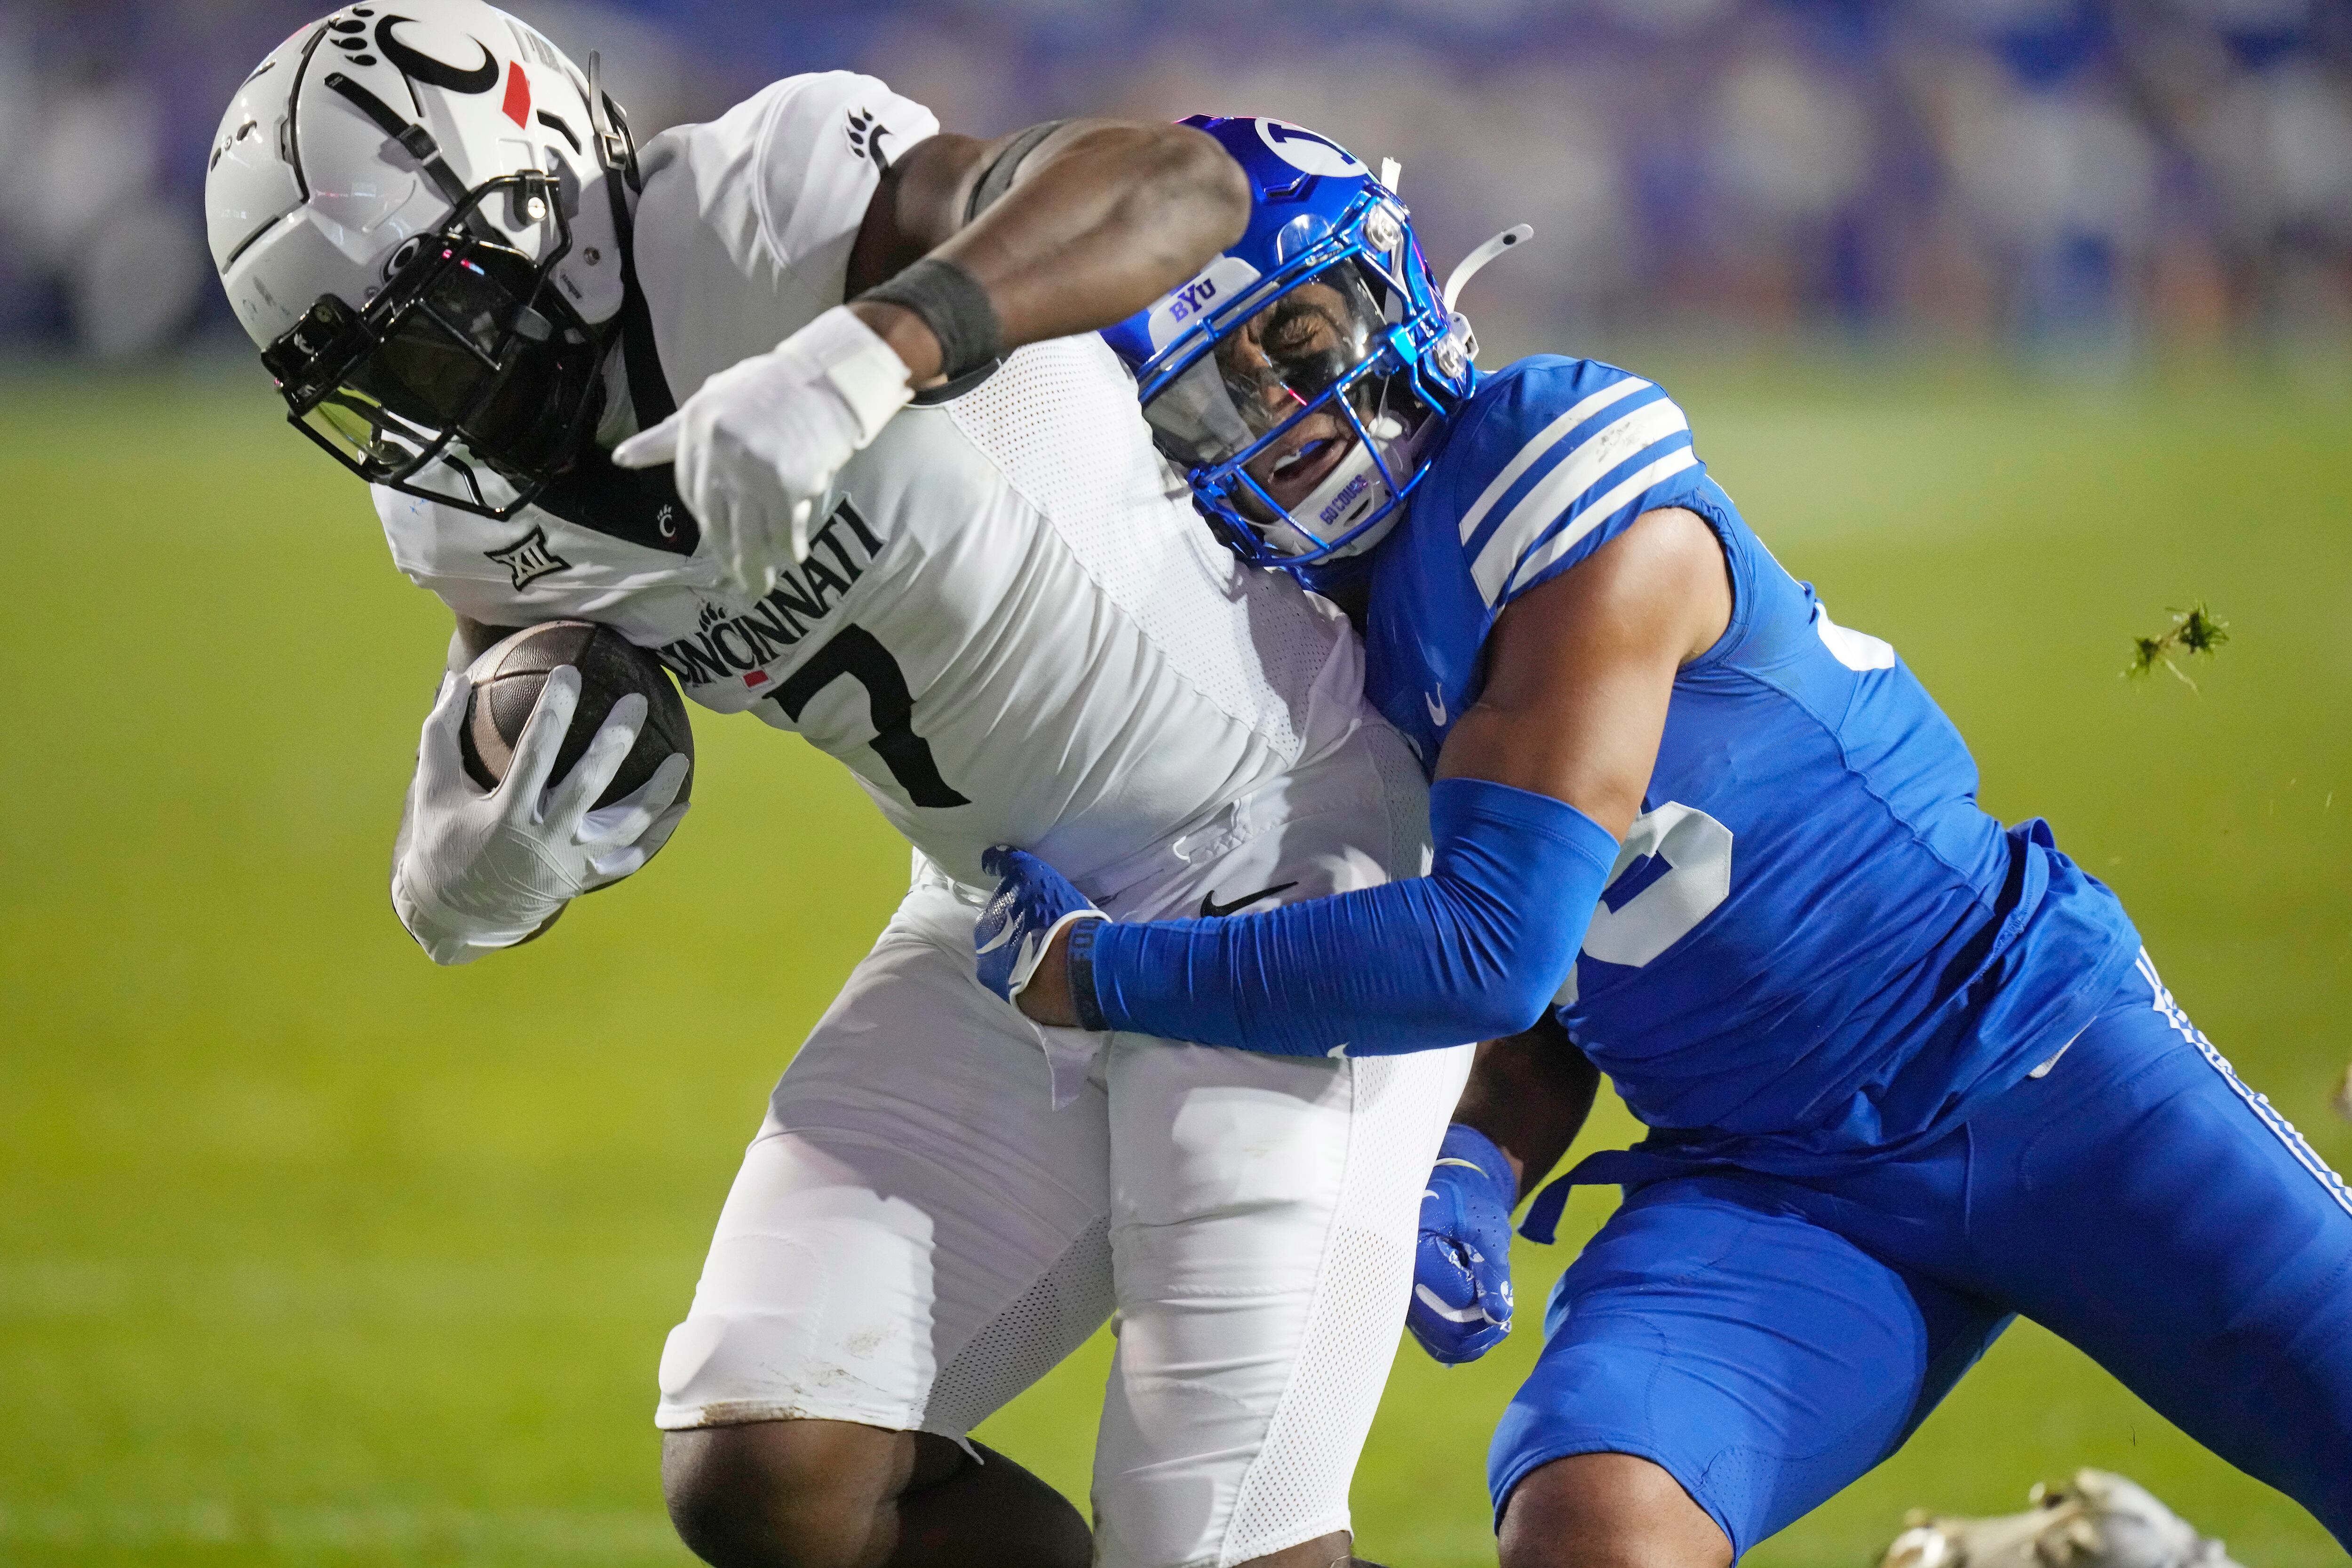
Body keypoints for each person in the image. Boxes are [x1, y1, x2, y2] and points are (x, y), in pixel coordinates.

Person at [984, 115, 2352, 1566]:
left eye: (1302, 344)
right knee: (1598, 1535)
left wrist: (1105, 974)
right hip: (1764, 1178)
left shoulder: (1550, 464)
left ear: (1389, 294)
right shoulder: (1309, 637)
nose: (1290, 412)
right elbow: (1587, 943)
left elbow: (1494, 944)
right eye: (1223, 392)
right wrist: (1485, 1154)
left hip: (2038, 1058)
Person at [204, 29, 1469, 1568]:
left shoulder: (766, 206)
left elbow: (1180, 186)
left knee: (1214, 1543)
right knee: (774, 1464)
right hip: (1009, 918)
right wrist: (465, 861)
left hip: (1288, 855)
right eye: (381, 370)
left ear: (544, 201)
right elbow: (508, 675)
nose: (441, 399)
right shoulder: (455, 510)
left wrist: (867, 349)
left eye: (444, 321)